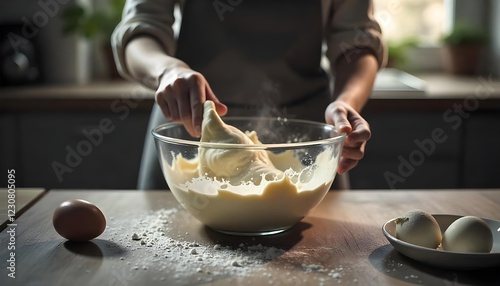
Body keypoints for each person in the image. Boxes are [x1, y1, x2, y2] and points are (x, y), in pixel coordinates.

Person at [111, 0, 386, 190]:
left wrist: (345, 102)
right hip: (187, 129)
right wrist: (167, 71)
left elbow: (358, 40)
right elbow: (140, 29)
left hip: (309, 136)